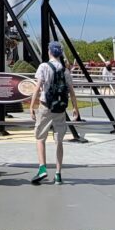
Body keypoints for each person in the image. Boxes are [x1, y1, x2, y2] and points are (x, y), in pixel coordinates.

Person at [29, 41, 82, 185]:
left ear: (49, 52)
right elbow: (71, 90)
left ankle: (42, 168)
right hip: (60, 108)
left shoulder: (44, 67)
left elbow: (38, 86)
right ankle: (58, 174)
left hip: (46, 106)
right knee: (59, 141)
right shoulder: (65, 70)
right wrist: (75, 107)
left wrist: (32, 105)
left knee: (40, 137)